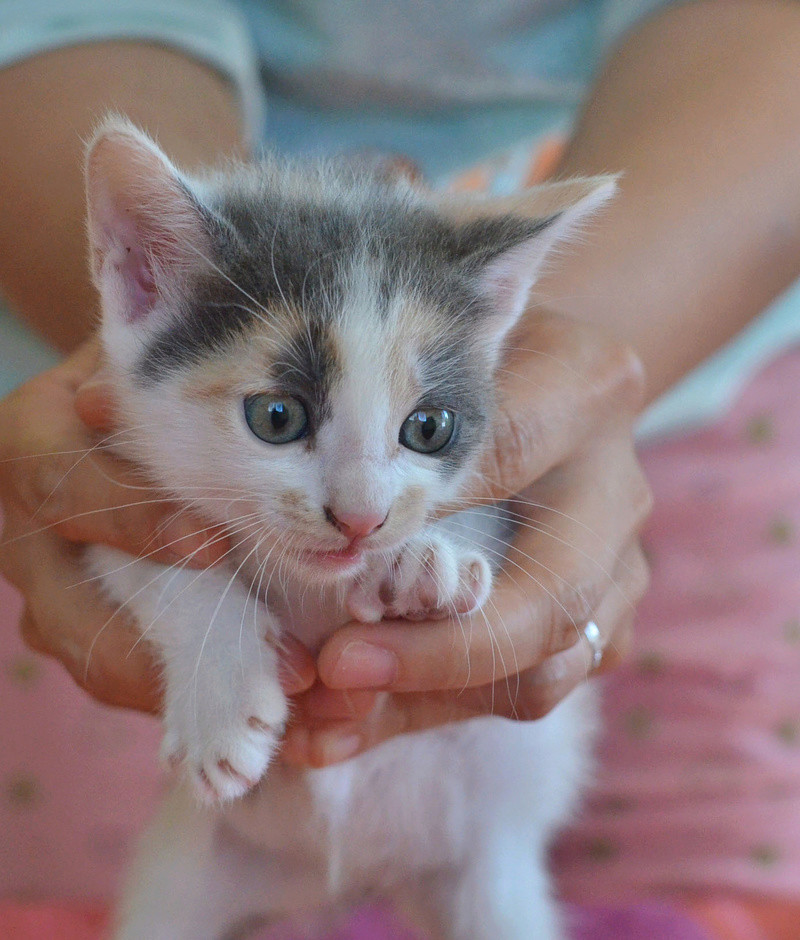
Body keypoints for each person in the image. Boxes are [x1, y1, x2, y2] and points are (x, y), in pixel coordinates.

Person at [0, 2, 799, 933]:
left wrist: (472, 521)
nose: (361, 509)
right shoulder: (162, 397)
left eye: (421, 433)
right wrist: (205, 643)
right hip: (50, 293)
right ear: (145, 284)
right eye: (278, 417)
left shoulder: (477, 397)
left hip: (706, 388)